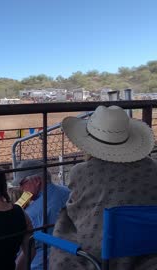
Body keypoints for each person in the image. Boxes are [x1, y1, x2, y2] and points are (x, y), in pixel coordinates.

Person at [50, 105, 157, 270]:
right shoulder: (154, 169)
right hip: (149, 253)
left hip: (98, 258)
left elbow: (78, 211)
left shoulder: (81, 172)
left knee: (65, 220)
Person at [12, 159, 70, 270]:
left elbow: (24, 249)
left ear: (37, 181)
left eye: (22, 183)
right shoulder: (68, 192)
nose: (20, 188)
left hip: (44, 264)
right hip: (75, 256)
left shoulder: (30, 214)